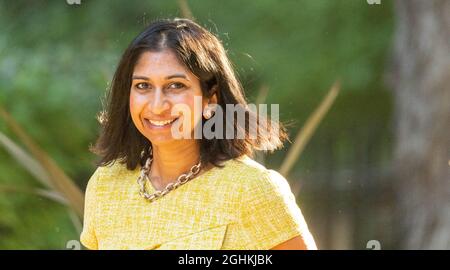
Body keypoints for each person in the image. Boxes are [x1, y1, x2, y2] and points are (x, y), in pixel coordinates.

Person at [80, 18, 317, 250]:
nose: (157, 105)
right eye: (143, 86)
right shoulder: (106, 184)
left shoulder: (251, 188)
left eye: (176, 86)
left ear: (210, 99)